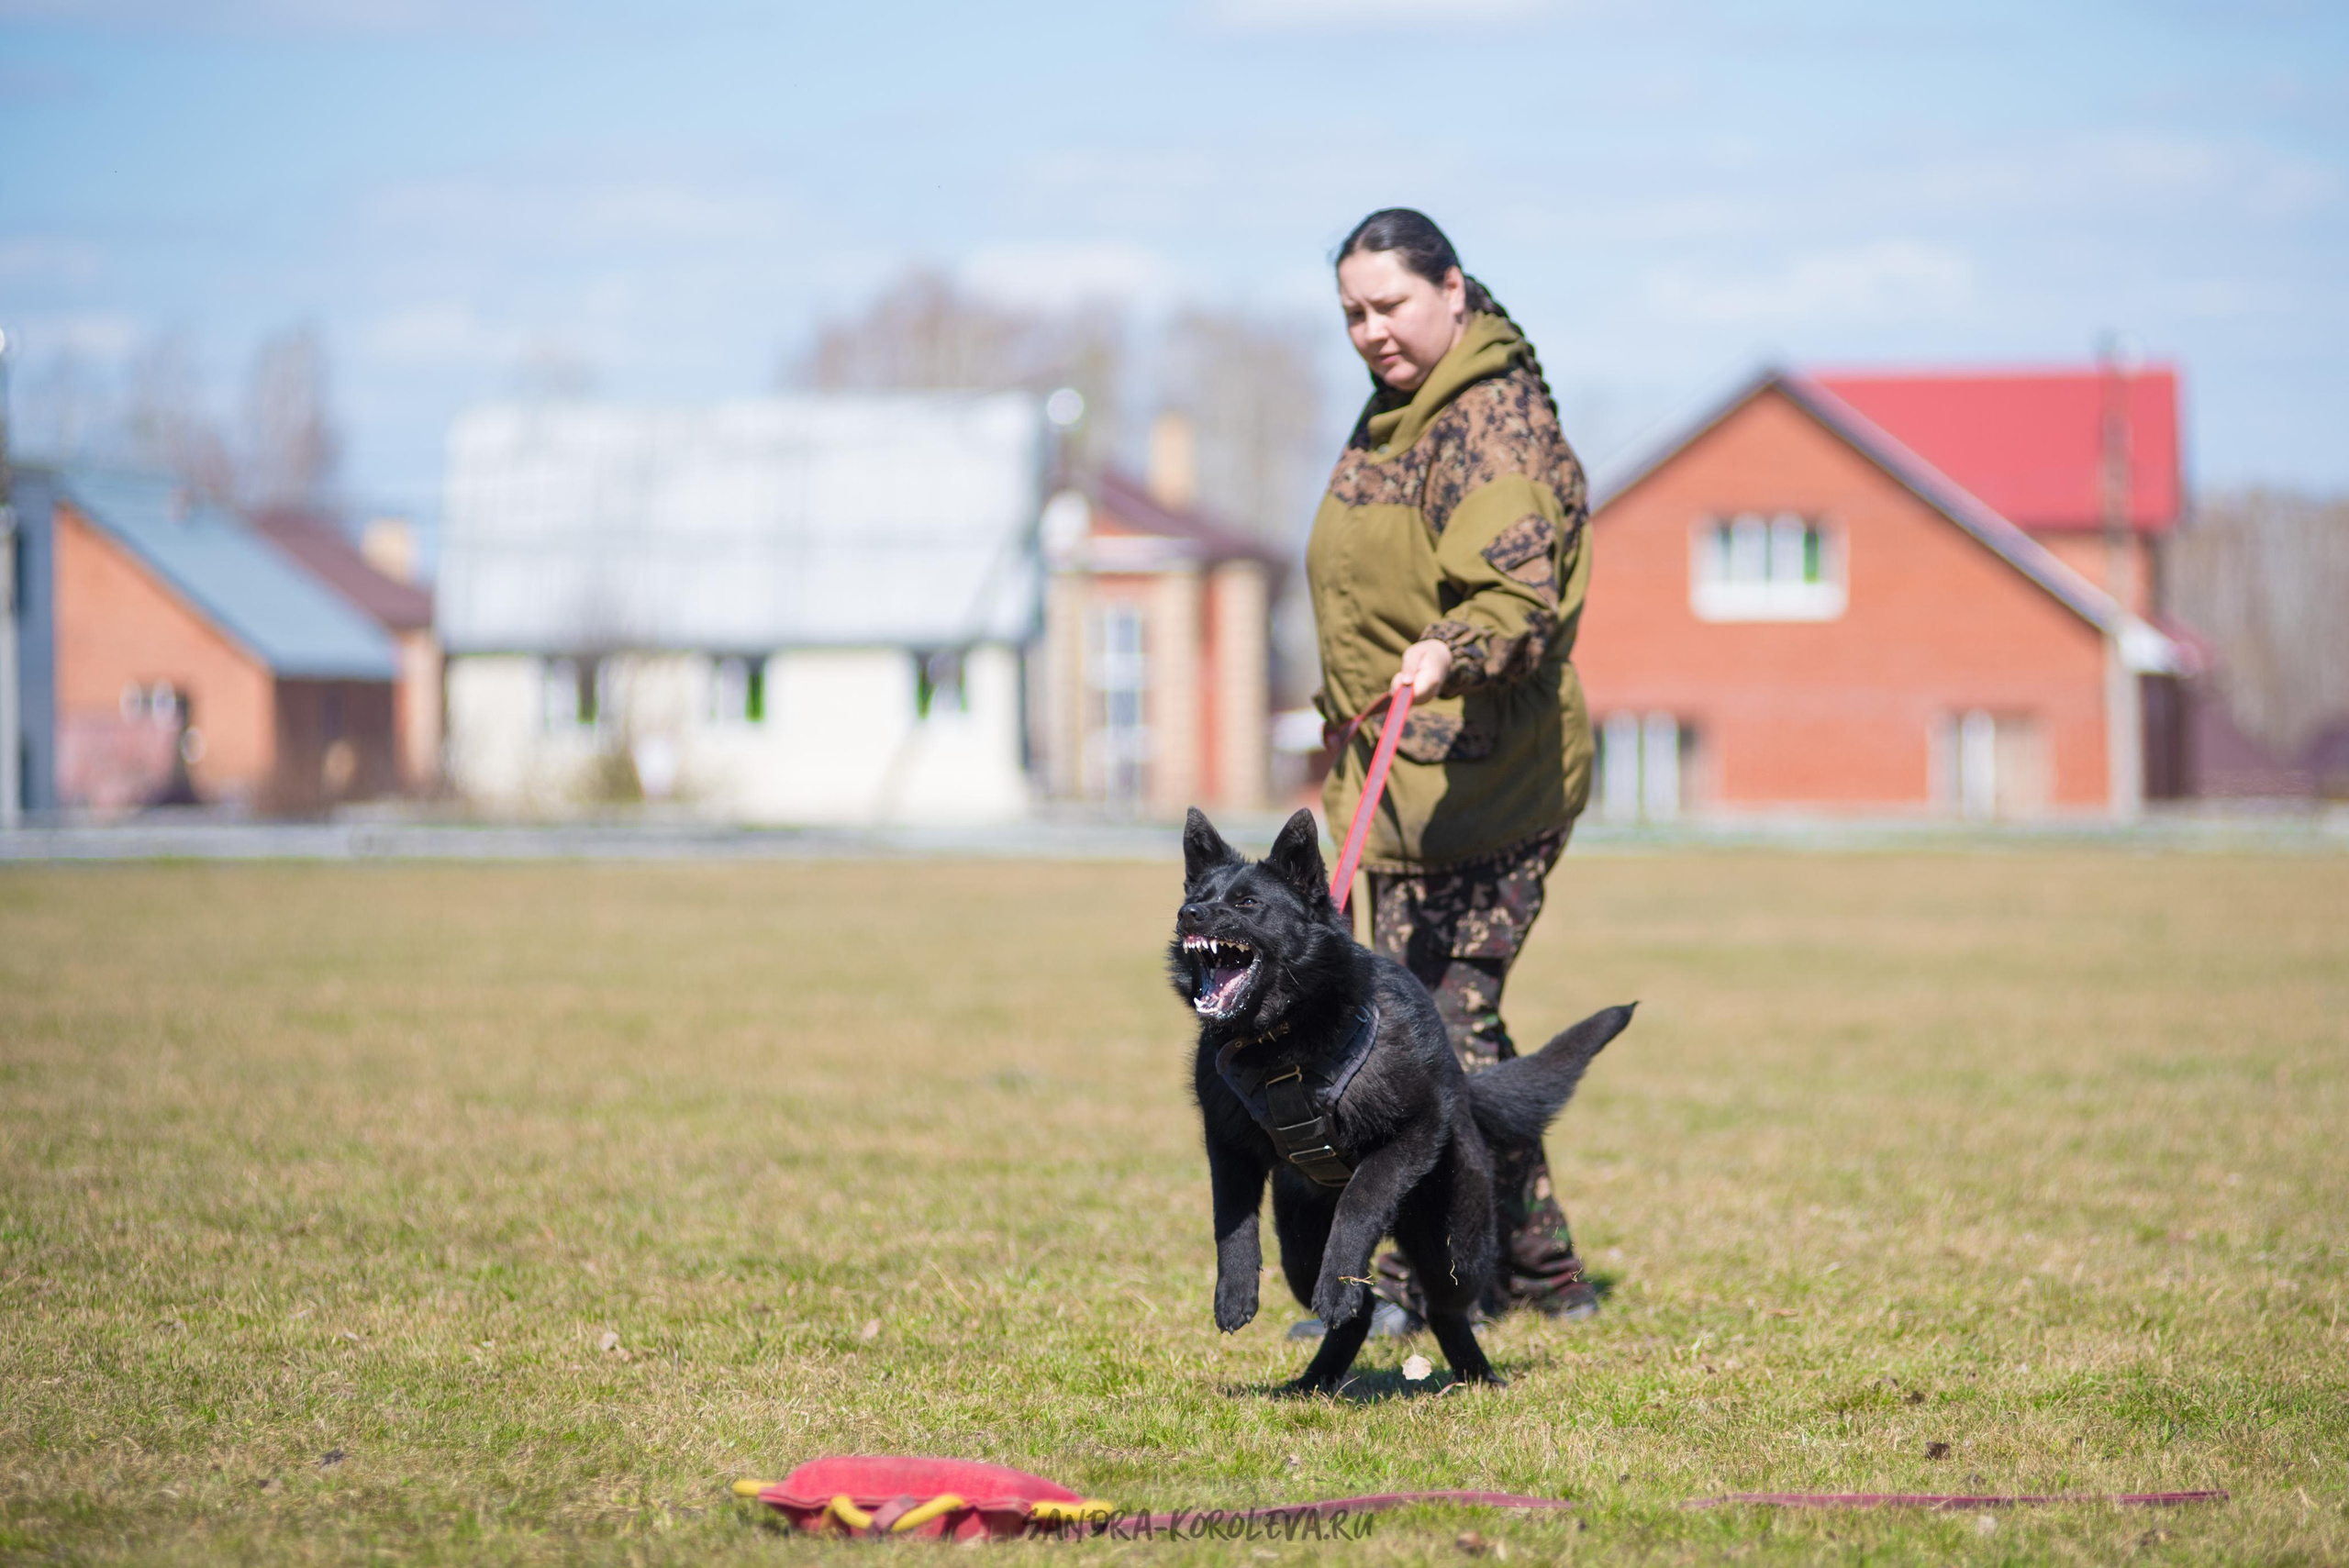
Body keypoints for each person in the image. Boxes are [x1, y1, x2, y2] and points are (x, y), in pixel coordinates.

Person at [1306, 207, 1598, 1326]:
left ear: (1453, 289)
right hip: (1403, 784)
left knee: (1425, 1035)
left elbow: (1516, 600)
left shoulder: (1488, 420)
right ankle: (1544, 1272)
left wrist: (1449, 649)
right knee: (1441, 1027)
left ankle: (1416, 1287)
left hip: (1489, 778)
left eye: (1389, 304)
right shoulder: (1396, 414)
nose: (1370, 331)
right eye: (1352, 314)